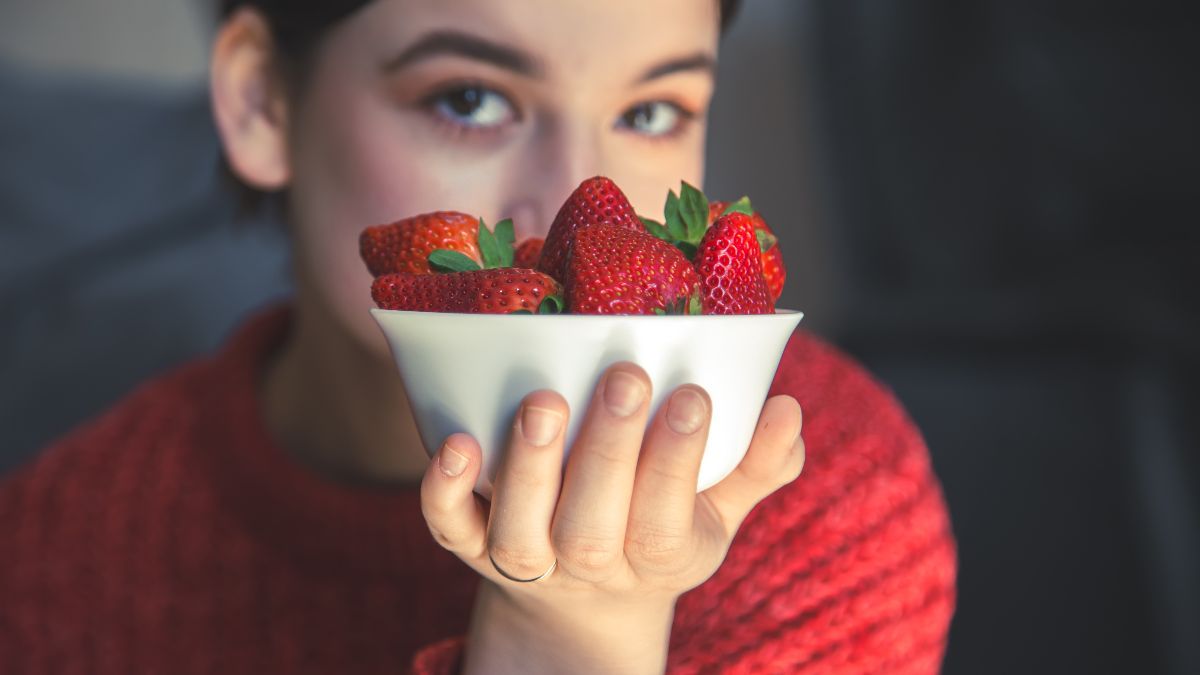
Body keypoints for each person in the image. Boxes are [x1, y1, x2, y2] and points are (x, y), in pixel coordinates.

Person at [0, 0, 957, 672]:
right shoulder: (51, 557)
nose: (590, 206)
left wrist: (581, 631)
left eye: (652, 111)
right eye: (470, 100)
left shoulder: (826, 489)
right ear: (261, 100)